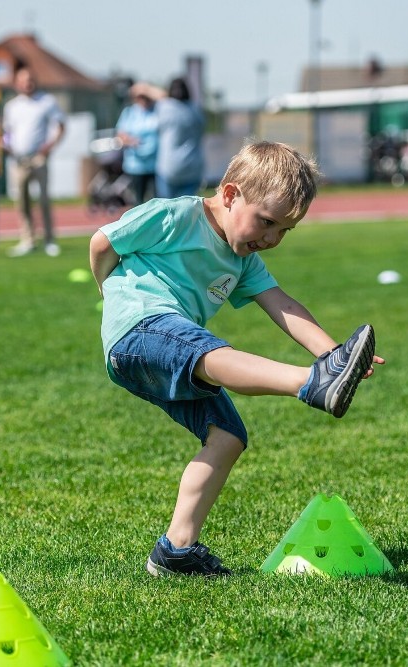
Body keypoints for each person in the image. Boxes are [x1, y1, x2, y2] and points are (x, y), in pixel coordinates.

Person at [89, 141, 385, 576]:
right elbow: (103, 243)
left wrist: (338, 354)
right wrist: (111, 295)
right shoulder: (176, 216)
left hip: (168, 347)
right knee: (207, 351)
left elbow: (282, 305)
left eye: (284, 231)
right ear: (230, 195)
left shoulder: (242, 262)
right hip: (140, 329)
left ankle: (176, 550)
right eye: (266, 222)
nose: (271, 238)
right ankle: (310, 383)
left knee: (227, 435)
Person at [3, 64, 66, 257]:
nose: (27, 84)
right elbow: (7, 132)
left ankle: (49, 240)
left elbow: (61, 125)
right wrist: (7, 145)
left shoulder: (46, 101)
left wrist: (50, 146)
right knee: (22, 201)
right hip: (19, 159)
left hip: (39, 157)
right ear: (16, 83)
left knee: (44, 199)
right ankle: (27, 239)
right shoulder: (12, 106)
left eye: (30, 80)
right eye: (22, 81)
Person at [138, 78, 204, 199]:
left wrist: (144, 88)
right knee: (187, 209)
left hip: (168, 167)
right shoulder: (196, 110)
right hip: (193, 166)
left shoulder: (166, 107)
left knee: (167, 208)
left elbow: (160, 95)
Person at [115, 82, 158, 205]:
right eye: (140, 97)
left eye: (145, 96)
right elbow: (120, 135)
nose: (143, 100)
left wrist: (148, 89)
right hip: (136, 164)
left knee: (157, 201)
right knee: (138, 201)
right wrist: (131, 141)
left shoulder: (157, 110)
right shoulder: (129, 112)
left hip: (154, 164)